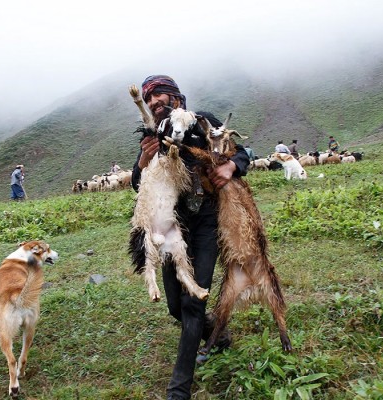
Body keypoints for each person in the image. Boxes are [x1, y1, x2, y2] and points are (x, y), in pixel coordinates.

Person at [131, 75, 250, 400]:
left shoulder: (202, 121)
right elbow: (137, 182)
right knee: (174, 307)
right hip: (170, 224)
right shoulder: (152, 135)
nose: (156, 104)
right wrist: (145, 158)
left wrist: (231, 168)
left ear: (178, 99)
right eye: (150, 101)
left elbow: (243, 153)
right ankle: (218, 336)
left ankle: (178, 390)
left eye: (161, 98)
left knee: (193, 302)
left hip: (206, 221)